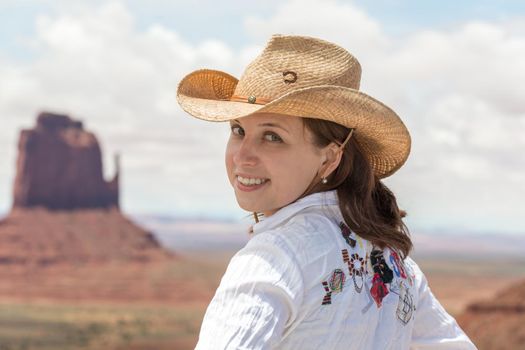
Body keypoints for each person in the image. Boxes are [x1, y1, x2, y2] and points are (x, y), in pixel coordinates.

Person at [177, 34, 476, 349]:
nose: (242, 156)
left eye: (272, 137)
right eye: (239, 130)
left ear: (330, 157)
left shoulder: (274, 256)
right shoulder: (392, 261)